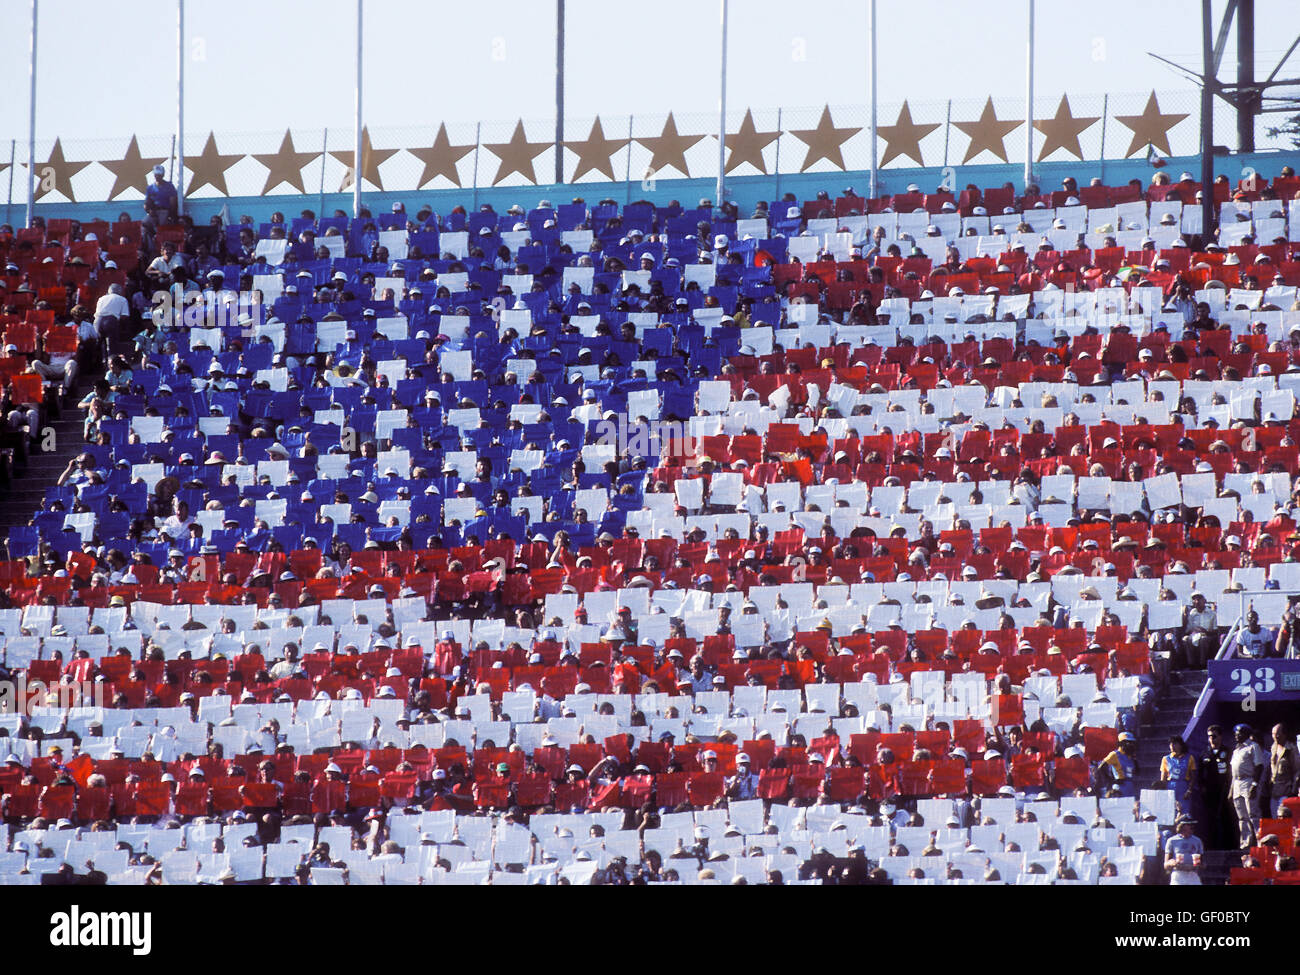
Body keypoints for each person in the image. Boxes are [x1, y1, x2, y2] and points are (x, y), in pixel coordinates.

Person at [1229, 723, 1267, 849]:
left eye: (1239, 732)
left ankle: (1260, 841)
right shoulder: (1236, 750)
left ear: (1246, 734)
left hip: (1248, 781)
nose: (1236, 735)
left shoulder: (1253, 746)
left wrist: (1254, 785)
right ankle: (1245, 843)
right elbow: (1234, 772)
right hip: (1237, 783)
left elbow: (1259, 766)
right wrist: (1231, 790)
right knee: (1242, 816)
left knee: (1253, 813)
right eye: (1235, 732)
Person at [1158, 735, 1197, 816]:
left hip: (1183, 786)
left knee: (1184, 811)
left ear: (1180, 745)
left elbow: (1193, 777)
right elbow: (1163, 778)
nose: (1172, 746)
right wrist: (1163, 791)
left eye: (1174, 744)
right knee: (1171, 811)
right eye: (1170, 744)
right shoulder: (1166, 759)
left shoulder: (1189, 758)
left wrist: (1189, 790)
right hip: (1170, 786)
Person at [1163, 815, 1203, 885]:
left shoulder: (1197, 841)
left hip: (1193, 874)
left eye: (1192, 825)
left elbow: (1203, 863)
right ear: (1181, 826)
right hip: (1178, 875)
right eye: (1189, 825)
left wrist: (1200, 864)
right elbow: (1166, 865)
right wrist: (1171, 863)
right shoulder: (1172, 840)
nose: (1192, 827)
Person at [1269, 723, 1299, 817]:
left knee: (1283, 818)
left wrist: (1293, 791)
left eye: (1278, 734)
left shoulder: (1291, 749)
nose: (1275, 736)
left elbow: (1297, 771)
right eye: (1273, 734)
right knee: (1275, 818)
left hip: (1286, 791)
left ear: (1284, 734)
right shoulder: (1273, 747)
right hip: (1274, 791)